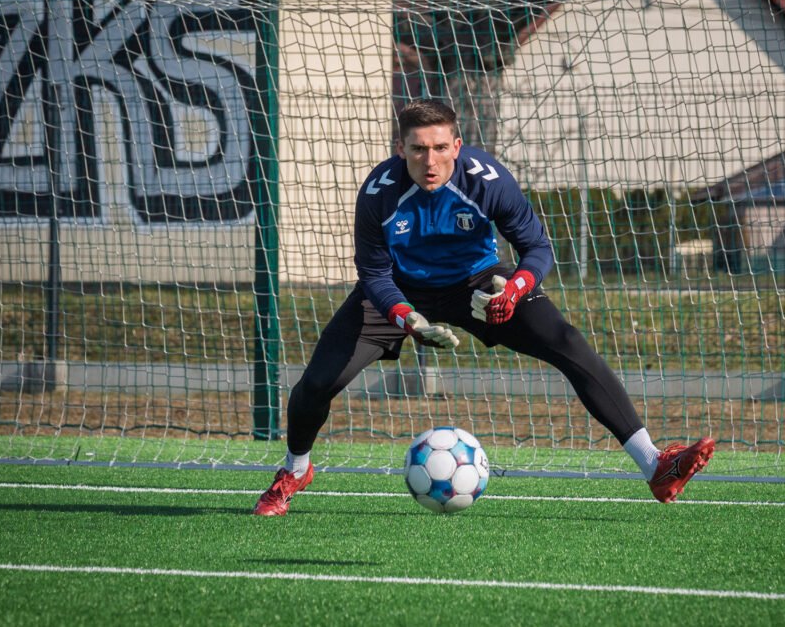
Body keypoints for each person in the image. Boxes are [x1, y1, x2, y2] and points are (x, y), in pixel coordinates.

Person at [254, 99, 714, 515]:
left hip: (478, 285)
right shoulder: (378, 193)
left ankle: (655, 465)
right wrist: (405, 317)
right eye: (418, 149)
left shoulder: (487, 180)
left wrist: (513, 289)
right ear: (400, 149)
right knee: (318, 382)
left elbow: (537, 248)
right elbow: (373, 273)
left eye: (440, 148)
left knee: (567, 342)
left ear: (457, 145)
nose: (430, 161)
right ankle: (295, 470)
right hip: (398, 289)